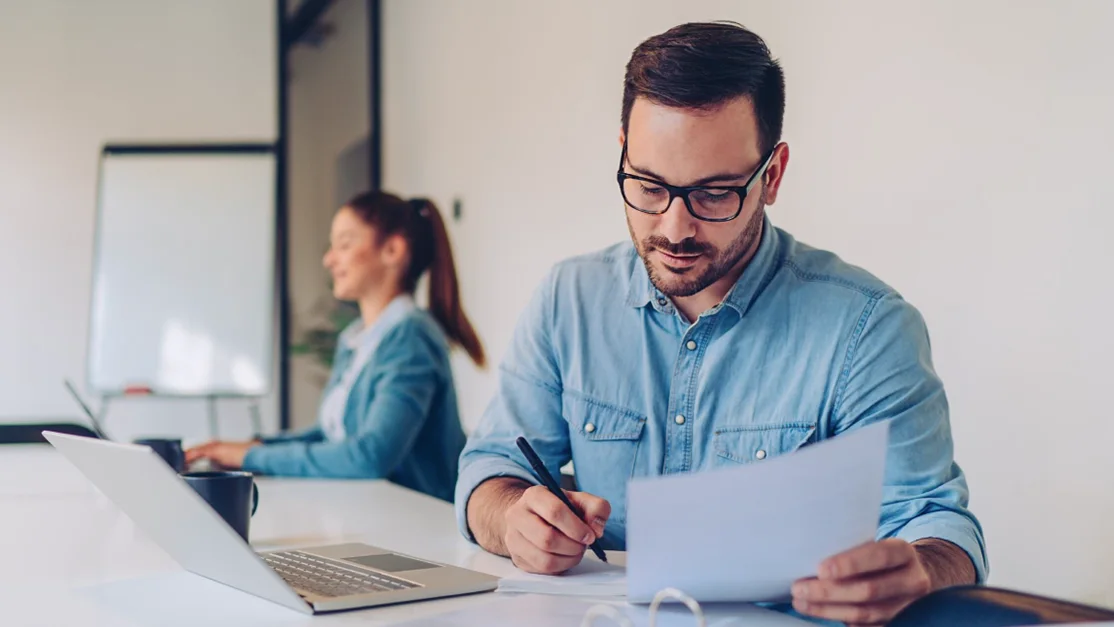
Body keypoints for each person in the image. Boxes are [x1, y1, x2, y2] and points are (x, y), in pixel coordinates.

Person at [456, 21, 986, 625]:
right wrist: (512, 516)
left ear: (773, 176)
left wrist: (922, 571)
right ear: (624, 149)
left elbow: (938, 525)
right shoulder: (567, 300)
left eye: (714, 194)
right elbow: (490, 467)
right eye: (649, 185)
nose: (676, 228)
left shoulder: (868, 328)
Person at [187, 191, 485, 503]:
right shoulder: (357, 338)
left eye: (344, 244)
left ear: (393, 250)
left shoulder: (410, 337)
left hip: (419, 523)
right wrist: (255, 447)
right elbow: (331, 435)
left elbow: (369, 456)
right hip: (373, 511)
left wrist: (250, 457)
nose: (329, 259)